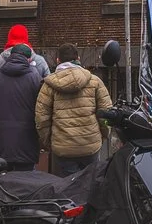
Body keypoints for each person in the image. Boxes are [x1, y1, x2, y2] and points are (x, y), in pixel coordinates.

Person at [35, 44, 112, 176]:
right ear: (78, 58)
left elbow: (41, 119)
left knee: (68, 189)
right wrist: (103, 135)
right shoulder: (95, 82)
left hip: (63, 148)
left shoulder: (49, 86)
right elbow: (106, 114)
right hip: (90, 145)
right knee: (91, 185)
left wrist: (49, 143)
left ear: (58, 60)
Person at [0, 33, 45, 170]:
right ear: (29, 59)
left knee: (1, 180)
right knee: (25, 181)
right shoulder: (36, 79)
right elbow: (42, 110)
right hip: (27, 140)